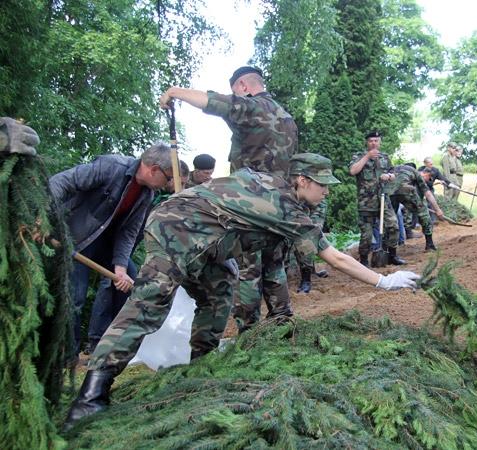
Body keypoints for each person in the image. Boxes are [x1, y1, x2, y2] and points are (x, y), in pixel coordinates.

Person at [64, 153, 420, 427]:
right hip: (177, 229)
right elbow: (335, 258)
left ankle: (199, 367)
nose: (326, 190)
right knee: (149, 303)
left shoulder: (280, 191)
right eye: (321, 184)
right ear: (301, 180)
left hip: (206, 240)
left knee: (220, 288)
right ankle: (91, 396)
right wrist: (383, 281)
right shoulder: (283, 206)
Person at [159, 65, 298, 334]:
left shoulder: (252, 107)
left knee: (249, 269)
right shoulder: (286, 117)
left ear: (243, 86)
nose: (234, 95)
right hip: (281, 206)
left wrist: (174, 92)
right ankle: (284, 327)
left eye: (235, 90)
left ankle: (249, 335)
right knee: (275, 266)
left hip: (251, 207)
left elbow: (212, 102)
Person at [49, 143, 174, 357]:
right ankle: (67, 357)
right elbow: (61, 181)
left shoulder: (146, 195)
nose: (168, 184)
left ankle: (112, 347)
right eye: (168, 177)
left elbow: (129, 232)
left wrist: (120, 267)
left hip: (104, 243)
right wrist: (42, 216)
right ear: (154, 169)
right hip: (76, 239)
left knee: (130, 282)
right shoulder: (111, 166)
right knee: (75, 296)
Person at [86, 160, 190, 354]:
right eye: (178, 182)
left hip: (130, 243)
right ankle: (96, 340)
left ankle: (118, 337)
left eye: (183, 184)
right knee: (109, 284)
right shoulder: (155, 194)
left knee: (128, 286)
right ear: (169, 175)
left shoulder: (158, 193)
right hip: (115, 242)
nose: (180, 187)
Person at [349, 131, 406, 267]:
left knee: (393, 226)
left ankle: (391, 255)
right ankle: (363, 259)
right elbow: (353, 171)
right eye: (371, 141)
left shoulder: (385, 158)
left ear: (380, 142)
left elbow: (393, 173)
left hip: (383, 200)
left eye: (376, 141)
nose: (374, 143)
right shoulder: (358, 156)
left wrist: (390, 176)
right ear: (367, 143)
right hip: (366, 202)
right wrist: (367, 156)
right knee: (367, 235)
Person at [387, 164, 444, 251]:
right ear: (426, 174)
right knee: (424, 214)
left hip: (388, 192)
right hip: (404, 190)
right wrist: (438, 210)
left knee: (390, 220)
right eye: (429, 179)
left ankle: (389, 252)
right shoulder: (416, 173)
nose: (428, 181)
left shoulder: (398, 168)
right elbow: (428, 194)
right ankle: (430, 245)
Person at [294, 200, 329, 293]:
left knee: (308, 238)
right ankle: (309, 270)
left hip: (316, 203)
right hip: (295, 203)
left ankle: (306, 279)